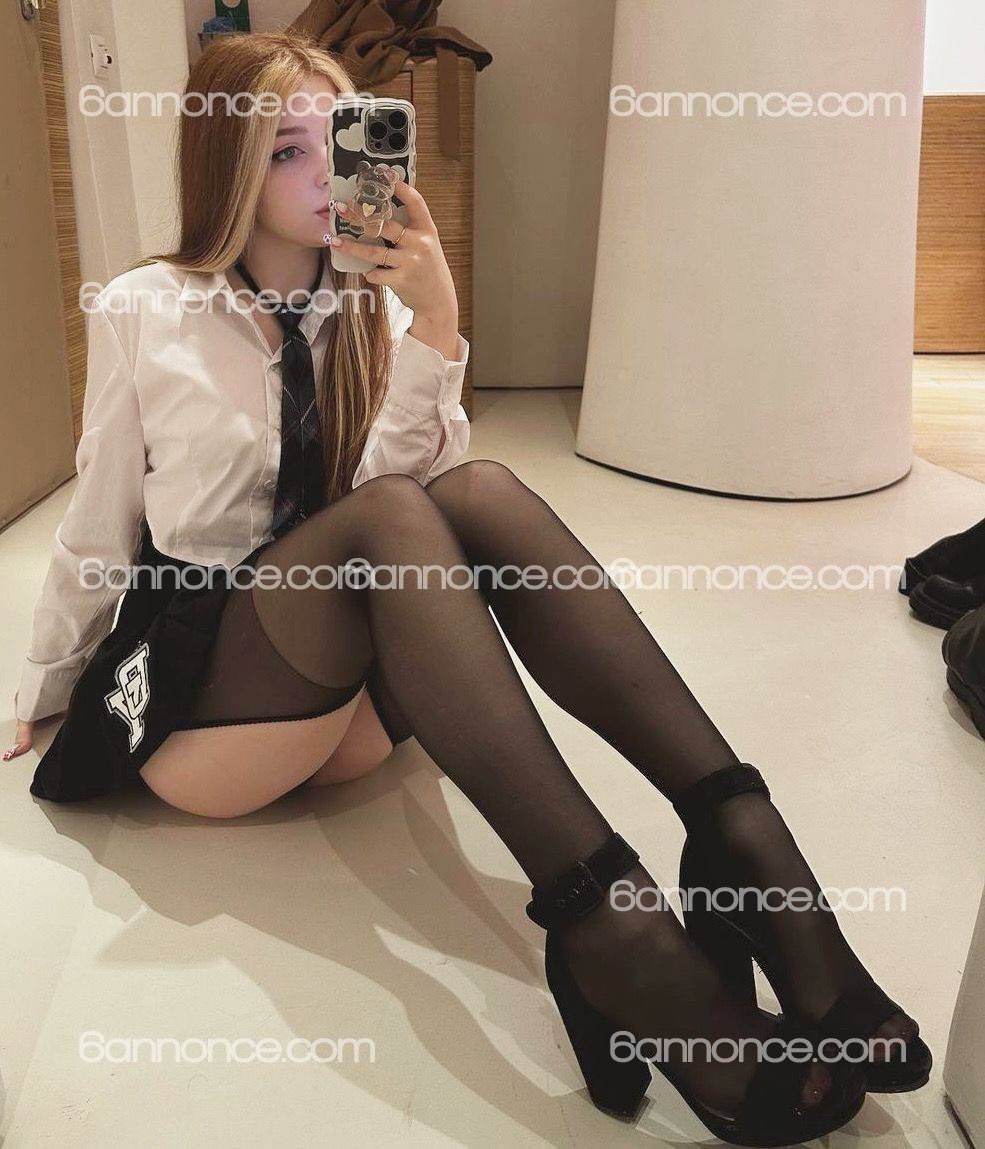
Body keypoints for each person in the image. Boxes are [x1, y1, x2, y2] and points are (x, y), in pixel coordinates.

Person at [4, 31, 927, 1141]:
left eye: (343, 142)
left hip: (348, 701)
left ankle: (738, 835)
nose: (326, 177)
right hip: (213, 706)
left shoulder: (374, 298)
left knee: (475, 491)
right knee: (397, 517)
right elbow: (100, 522)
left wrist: (433, 326)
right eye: (287, 151)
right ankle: (614, 932)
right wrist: (44, 686)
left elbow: (421, 505)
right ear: (228, 165)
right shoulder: (145, 307)